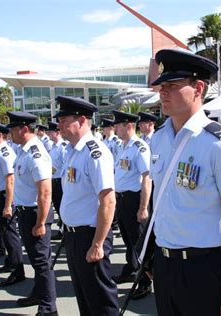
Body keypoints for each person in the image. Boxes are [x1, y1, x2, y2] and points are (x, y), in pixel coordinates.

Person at [141, 49, 221, 315]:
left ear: (198, 88)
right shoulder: (158, 139)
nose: (163, 92)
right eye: (161, 86)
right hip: (165, 265)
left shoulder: (220, 145)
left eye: (172, 85)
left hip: (204, 268)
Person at [55, 96, 119, 315]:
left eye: (64, 120)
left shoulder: (95, 153)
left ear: (82, 120)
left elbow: (108, 201)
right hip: (73, 235)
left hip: (90, 236)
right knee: (84, 297)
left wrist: (98, 243)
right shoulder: (72, 151)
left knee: (100, 299)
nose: (59, 125)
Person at [7, 111, 58, 316]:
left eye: (12, 129)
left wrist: (41, 222)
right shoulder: (23, 151)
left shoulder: (36, 153)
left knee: (42, 262)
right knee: (36, 260)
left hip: (36, 214)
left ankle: (48, 307)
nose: (9, 133)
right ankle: (39, 293)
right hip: (26, 212)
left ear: (24, 129)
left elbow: (45, 192)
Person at [111, 111, 151, 282]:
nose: (115, 129)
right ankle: (131, 268)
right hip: (121, 199)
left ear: (128, 126)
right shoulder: (122, 146)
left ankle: (144, 280)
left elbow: (147, 178)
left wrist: (143, 207)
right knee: (128, 239)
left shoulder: (139, 147)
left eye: (118, 126)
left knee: (139, 242)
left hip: (134, 200)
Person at [0, 121, 26, 287]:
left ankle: (18, 269)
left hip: (4, 196)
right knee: (3, 231)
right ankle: (10, 261)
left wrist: (8, 204)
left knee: (10, 233)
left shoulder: (5, 153)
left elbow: (10, 179)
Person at [47, 121, 67, 239]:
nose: (49, 133)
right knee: (58, 207)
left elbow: (65, 166)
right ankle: (62, 231)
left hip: (60, 181)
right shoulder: (53, 146)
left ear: (57, 132)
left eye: (51, 131)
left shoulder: (63, 147)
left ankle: (66, 233)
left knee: (62, 207)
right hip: (53, 181)